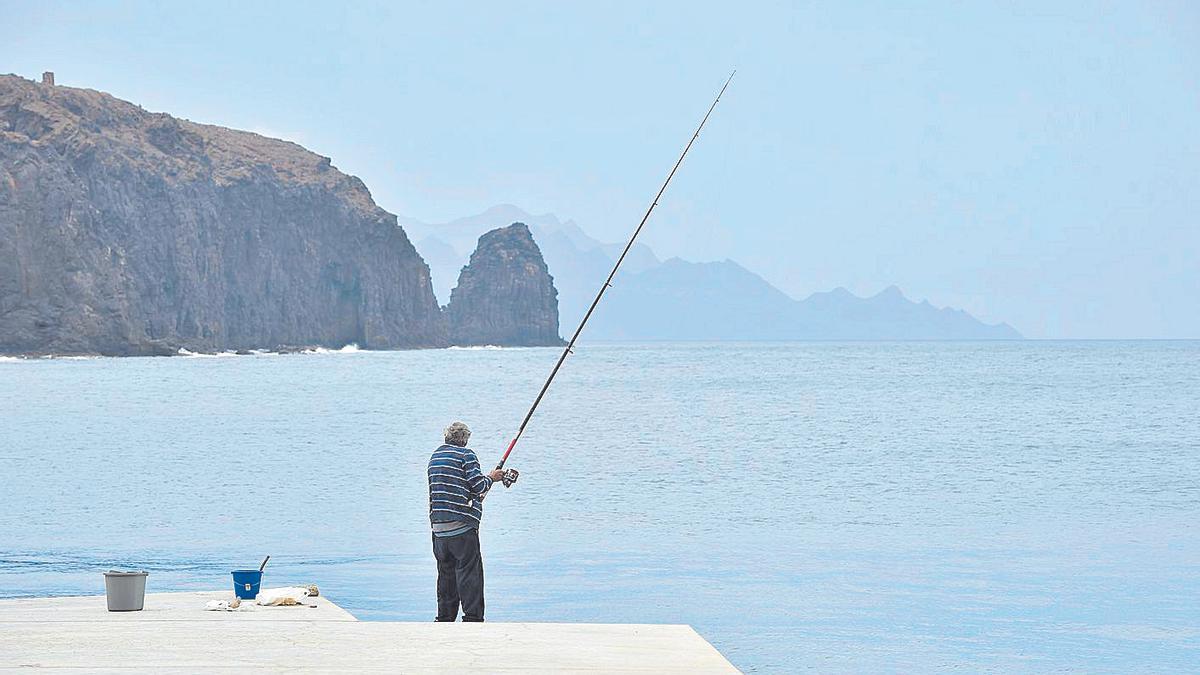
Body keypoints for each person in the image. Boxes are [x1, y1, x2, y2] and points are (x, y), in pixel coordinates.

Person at [427, 421, 504, 622]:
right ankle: (472, 619)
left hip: (438, 528)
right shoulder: (466, 455)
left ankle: (444, 618)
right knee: (470, 574)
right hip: (462, 527)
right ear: (464, 439)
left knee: (446, 576)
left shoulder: (435, 456)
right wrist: (492, 478)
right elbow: (478, 485)